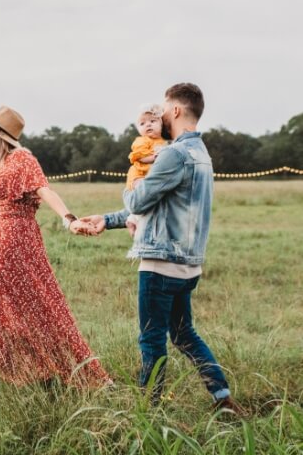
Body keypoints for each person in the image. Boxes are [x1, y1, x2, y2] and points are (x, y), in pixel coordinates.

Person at [78, 83, 243, 412]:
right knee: (183, 335)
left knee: (151, 338)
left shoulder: (173, 153)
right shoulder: (201, 154)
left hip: (160, 264)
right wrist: (108, 220)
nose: (161, 116)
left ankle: (147, 412)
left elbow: (139, 199)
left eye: (165, 110)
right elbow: (160, 207)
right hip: (188, 265)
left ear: (177, 111)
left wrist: (133, 182)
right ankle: (222, 398)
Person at [0, 105, 112, 387]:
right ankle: (1, 372)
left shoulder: (22, 158)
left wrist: (69, 220)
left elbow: (44, 189)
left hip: (15, 241)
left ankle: (44, 369)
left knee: (36, 305)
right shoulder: (3, 165)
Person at [125, 104, 168, 234]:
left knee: (151, 200)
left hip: (151, 175)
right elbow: (140, 156)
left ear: (161, 124)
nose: (148, 125)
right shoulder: (142, 141)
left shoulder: (164, 141)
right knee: (143, 194)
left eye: (152, 121)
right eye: (142, 123)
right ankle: (134, 220)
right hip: (139, 174)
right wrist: (154, 157)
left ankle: (133, 219)